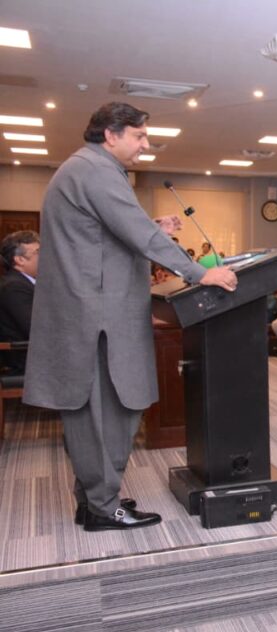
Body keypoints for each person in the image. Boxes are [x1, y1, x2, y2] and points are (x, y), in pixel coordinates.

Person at [24, 102, 237, 531]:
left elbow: (105, 235)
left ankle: (94, 501)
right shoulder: (97, 170)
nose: (145, 145)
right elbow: (134, 234)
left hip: (90, 311)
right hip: (98, 317)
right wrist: (201, 272)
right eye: (139, 136)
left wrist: (154, 227)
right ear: (111, 134)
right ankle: (103, 507)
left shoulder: (84, 169)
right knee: (110, 414)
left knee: (95, 413)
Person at [0, 231, 39, 372]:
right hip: (26, 361)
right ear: (20, 260)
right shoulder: (14, 287)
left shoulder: (27, 283)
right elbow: (35, 328)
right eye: (38, 252)